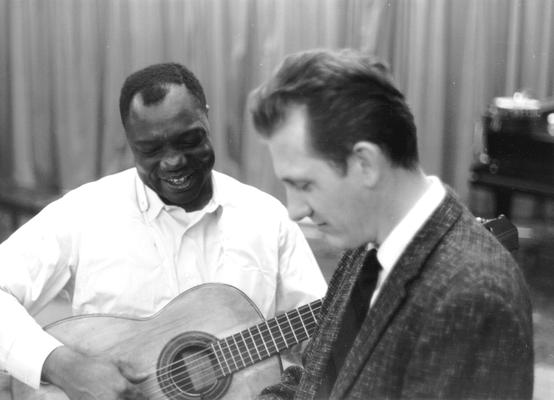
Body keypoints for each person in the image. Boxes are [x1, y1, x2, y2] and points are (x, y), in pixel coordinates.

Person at [0, 62, 327, 399]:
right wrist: (63, 365)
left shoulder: (267, 218)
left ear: (206, 117)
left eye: (188, 140)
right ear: (129, 140)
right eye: (151, 150)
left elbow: (323, 337)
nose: (173, 162)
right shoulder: (83, 213)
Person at [249, 49, 534, 399]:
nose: (293, 210)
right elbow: (316, 379)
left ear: (365, 163)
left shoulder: (475, 295)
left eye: (304, 184)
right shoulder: (365, 243)